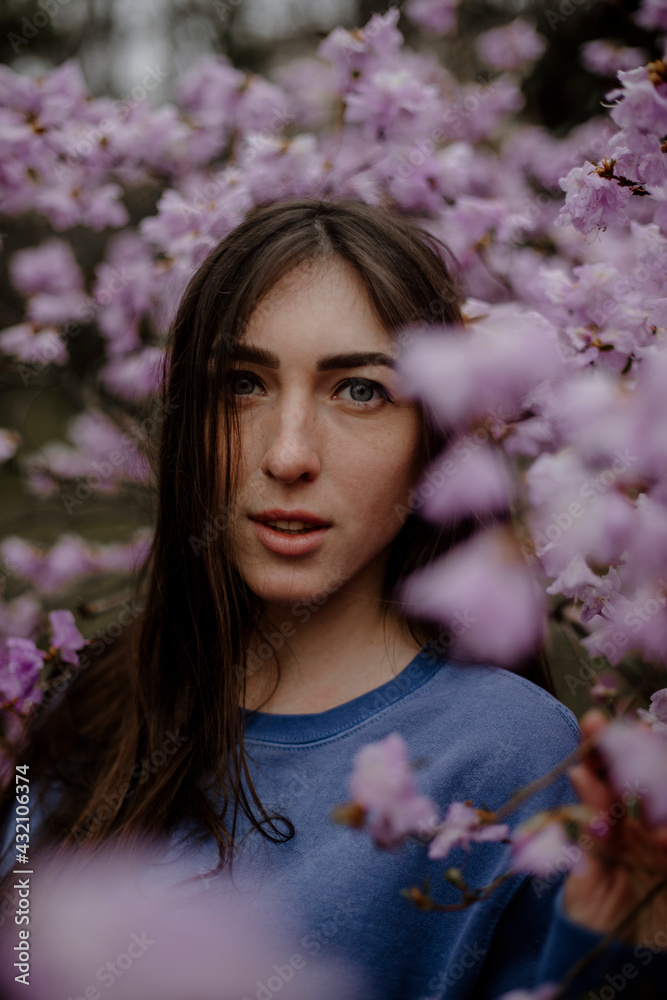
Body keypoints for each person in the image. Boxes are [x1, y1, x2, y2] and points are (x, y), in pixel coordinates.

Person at [0, 198, 666, 999]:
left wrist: (617, 949)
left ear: (434, 438)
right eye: (242, 384)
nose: (288, 455)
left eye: (358, 390)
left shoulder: (512, 753)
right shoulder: (91, 703)